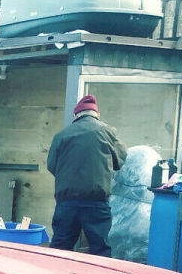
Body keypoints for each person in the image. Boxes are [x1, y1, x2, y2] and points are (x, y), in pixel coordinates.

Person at [46, 94, 126, 257]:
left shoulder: (61, 135)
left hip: (66, 202)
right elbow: (120, 160)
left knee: (60, 250)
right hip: (96, 202)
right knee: (100, 250)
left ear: (76, 115)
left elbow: (52, 166)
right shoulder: (109, 132)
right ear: (96, 115)